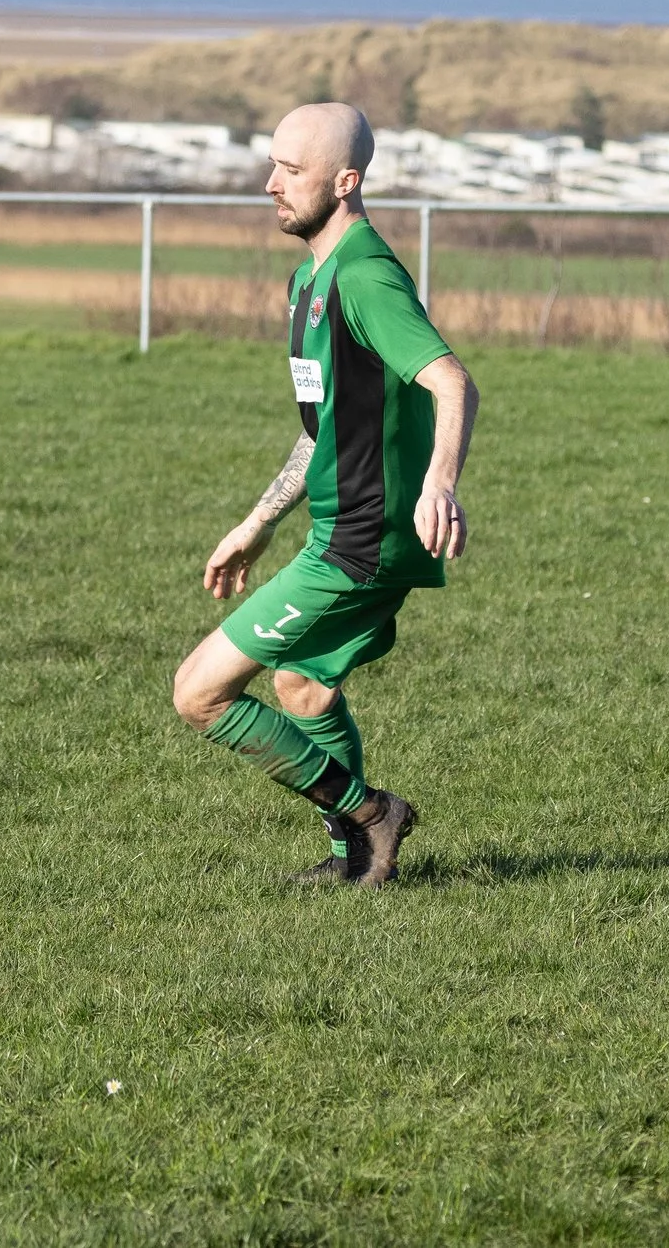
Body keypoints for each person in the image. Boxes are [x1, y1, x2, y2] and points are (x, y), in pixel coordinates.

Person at [170, 103, 478, 887]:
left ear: (346, 182)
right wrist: (258, 521)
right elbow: (325, 429)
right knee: (302, 686)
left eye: (291, 171)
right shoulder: (309, 279)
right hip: (338, 533)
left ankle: (373, 815)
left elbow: (451, 381)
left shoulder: (366, 278)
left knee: (200, 694)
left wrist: (440, 481)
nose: (270, 184)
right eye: (272, 165)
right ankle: (353, 860)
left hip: (362, 544)